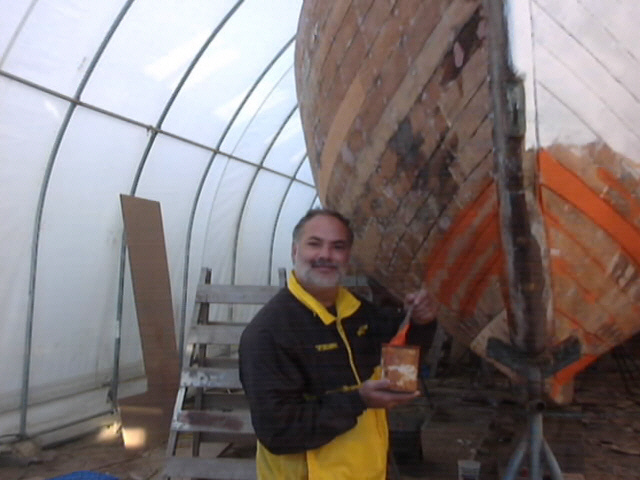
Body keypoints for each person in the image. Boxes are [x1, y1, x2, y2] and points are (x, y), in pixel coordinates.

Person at [239, 208, 438, 479]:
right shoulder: (269, 332)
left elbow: (401, 369)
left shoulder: (359, 313)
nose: (326, 255)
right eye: (315, 244)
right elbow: (278, 432)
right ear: (295, 251)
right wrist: (359, 400)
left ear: (348, 257)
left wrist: (421, 322)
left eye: (338, 247)